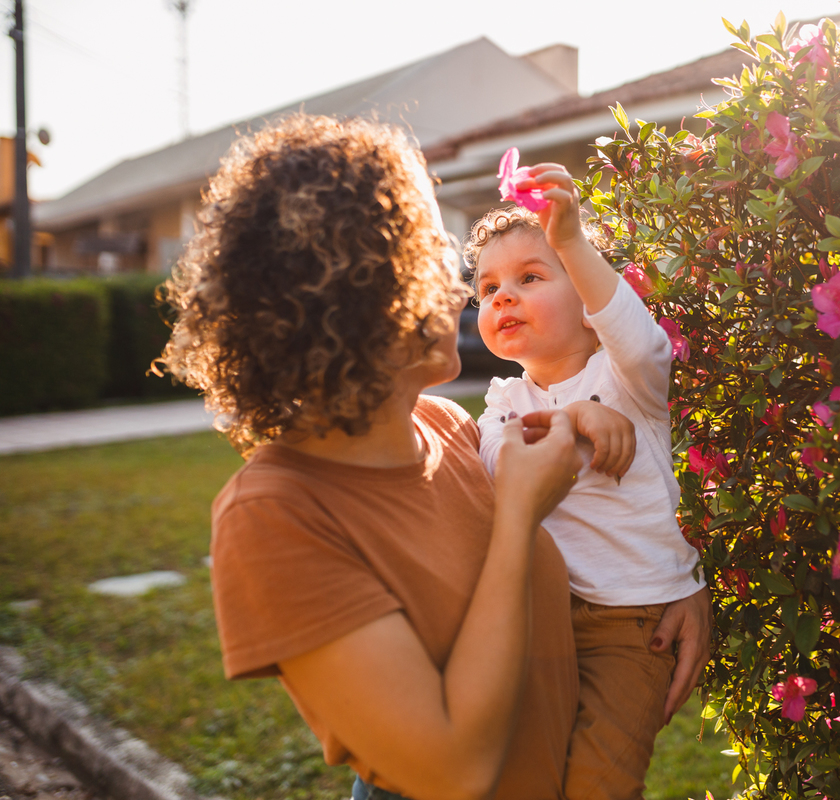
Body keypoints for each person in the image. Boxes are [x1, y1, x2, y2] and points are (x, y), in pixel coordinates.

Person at [158, 114, 709, 800]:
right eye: (428, 260)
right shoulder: (272, 516)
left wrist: (672, 581)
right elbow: (452, 768)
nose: (459, 293)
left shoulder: (452, 430)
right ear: (353, 297)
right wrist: (518, 518)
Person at [464, 163, 710, 800]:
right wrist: (572, 418)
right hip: (540, 617)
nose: (502, 297)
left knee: (600, 784)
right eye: (488, 288)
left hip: (632, 623)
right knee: (533, 781)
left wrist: (570, 240)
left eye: (529, 277)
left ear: (586, 299)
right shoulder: (504, 401)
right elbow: (500, 470)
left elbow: (642, 340)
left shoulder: (629, 380)